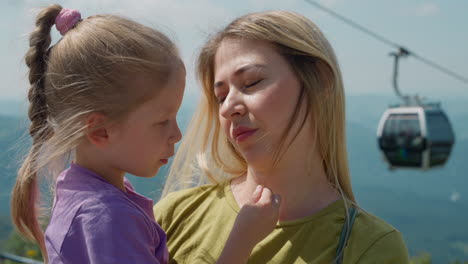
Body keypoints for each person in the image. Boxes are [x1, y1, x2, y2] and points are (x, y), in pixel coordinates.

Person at [11, 5, 280, 264]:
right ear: (99, 130)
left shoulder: (81, 192)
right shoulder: (108, 218)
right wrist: (242, 240)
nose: (176, 134)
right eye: (163, 121)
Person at [154, 11, 410, 263]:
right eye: (220, 96)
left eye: (252, 82)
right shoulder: (172, 217)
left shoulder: (370, 248)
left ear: (320, 81)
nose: (228, 107)